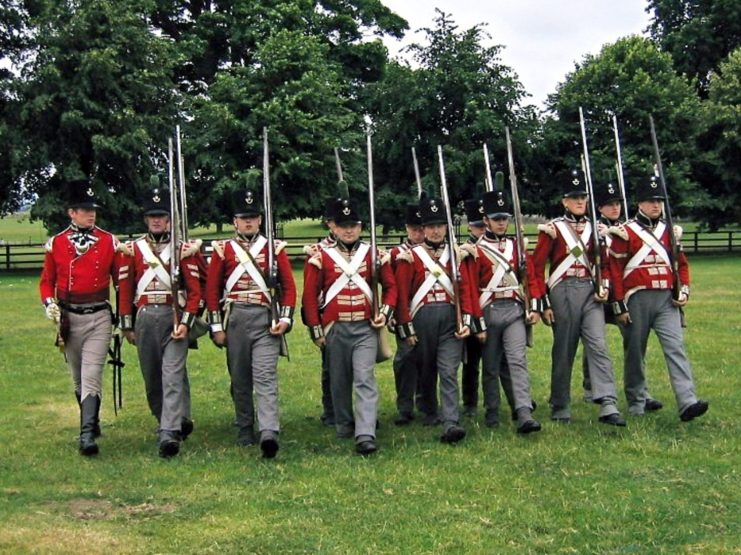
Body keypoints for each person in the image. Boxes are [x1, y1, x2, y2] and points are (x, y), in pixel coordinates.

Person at [609, 176, 709, 422]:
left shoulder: (670, 230)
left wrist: (683, 290)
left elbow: (681, 265)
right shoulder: (626, 232)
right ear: (640, 203)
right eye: (651, 201)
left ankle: (687, 401)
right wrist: (619, 304)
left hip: (666, 299)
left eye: (659, 201)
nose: (656, 205)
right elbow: (615, 271)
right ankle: (636, 400)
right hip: (636, 299)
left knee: (676, 348)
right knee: (635, 351)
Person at [302, 197, 396, 455]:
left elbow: (391, 287)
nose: (349, 229)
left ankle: (365, 433)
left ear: (361, 226)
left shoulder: (373, 254)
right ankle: (344, 423)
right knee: (339, 381)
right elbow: (310, 297)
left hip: (365, 327)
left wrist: (385, 313)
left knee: (365, 378)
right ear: (332, 227)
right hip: (336, 327)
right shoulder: (320, 257)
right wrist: (316, 331)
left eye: (353, 224)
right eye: (343, 225)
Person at [206, 189, 296, 458]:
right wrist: (216, 327)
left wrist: (286, 318)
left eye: (253, 218)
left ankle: (269, 430)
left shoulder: (273, 249)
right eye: (243, 218)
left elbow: (289, 288)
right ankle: (245, 426)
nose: (248, 223)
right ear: (235, 221)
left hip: (265, 317)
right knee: (240, 377)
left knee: (265, 375)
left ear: (260, 220)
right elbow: (212, 291)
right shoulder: (224, 250)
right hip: (235, 318)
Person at [532, 173, 626, 426]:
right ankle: (560, 403)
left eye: (582, 196)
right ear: (564, 201)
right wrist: (542, 303)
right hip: (562, 291)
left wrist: (604, 285)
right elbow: (536, 267)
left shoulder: (596, 228)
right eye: (574, 197)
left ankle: (607, 401)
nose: (579, 201)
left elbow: (605, 263)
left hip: (590, 291)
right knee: (564, 348)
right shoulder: (553, 229)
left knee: (598, 344)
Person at [117, 188, 202, 458]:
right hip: (144, 317)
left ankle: (169, 432)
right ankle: (167, 418)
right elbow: (125, 289)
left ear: (169, 219)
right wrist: (127, 325)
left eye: (161, 216)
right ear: (146, 219)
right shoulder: (133, 250)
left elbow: (195, 291)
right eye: (152, 216)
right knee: (153, 378)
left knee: (172, 374)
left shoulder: (182, 250)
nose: (156, 220)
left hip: (172, 315)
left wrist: (186, 322)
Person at [39, 180, 120, 456]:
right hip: (69, 318)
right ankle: (92, 422)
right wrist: (49, 303)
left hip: (98, 315)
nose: (91, 214)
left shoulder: (109, 241)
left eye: (93, 209)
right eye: (85, 210)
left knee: (91, 374)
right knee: (77, 377)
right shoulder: (57, 243)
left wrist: (124, 315)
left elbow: (121, 280)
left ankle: (86, 435)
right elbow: (46, 282)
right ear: (71, 212)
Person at [394, 195, 474, 443]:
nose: (436, 231)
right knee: (426, 369)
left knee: (449, 370)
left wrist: (467, 321)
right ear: (423, 229)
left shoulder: (457, 254)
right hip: (422, 320)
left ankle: (451, 422)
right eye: (431, 226)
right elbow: (402, 294)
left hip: (451, 319)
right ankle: (429, 409)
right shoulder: (411, 257)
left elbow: (466, 291)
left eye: (440, 225)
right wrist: (406, 327)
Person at [581, 181, 662, 413]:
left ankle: (641, 390)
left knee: (635, 341)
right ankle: (590, 386)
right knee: (594, 342)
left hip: (622, 292)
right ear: (600, 208)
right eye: (609, 204)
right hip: (599, 292)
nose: (614, 208)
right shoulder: (592, 229)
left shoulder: (630, 228)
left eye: (617, 203)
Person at [465, 190, 542, 433]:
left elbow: (531, 279)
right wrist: (477, 323)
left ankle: (524, 412)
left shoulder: (516, 247)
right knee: (490, 365)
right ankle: (492, 410)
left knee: (517, 360)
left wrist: (535, 306)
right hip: (488, 311)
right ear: (485, 219)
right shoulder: (474, 251)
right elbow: (468, 289)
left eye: (504, 218)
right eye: (496, 218)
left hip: (514, 310)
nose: (501, 223)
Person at [302, 199, 339, 427]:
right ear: (329, 224)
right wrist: (315, 326)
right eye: (336, 222)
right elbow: (309, 292)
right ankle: (330, 409)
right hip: (328, 319)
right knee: (330, 368)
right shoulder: (317, 252)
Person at [388, 203, 425, 426]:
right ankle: (404, 406)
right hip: (405, 313)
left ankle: (424, 400)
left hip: (428, 312)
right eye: (414, 228)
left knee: (427, 360)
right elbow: (391, 287)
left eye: (422, 228)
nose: (419, 233)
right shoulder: (396, 254)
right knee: (405, 360)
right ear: (406, 228)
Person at [460, 197, 486, 417]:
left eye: (484, 225)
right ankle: (470, 402)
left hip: (496, 306)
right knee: (471, 360)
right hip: (472, 309)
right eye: (478, 226)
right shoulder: (464, 250)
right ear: (470, 226)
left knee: (502, 359)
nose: (482, 230)